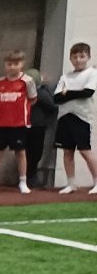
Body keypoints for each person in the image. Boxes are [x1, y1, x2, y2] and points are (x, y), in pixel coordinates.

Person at [0, 50, 38, 194]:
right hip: (2, 124)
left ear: (22, 64)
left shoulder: (27, 81)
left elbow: (33, 99)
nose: (12, 67)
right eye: (9, 64)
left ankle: (23, 182)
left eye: (16, 64)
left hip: (19, 124)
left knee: (20, 153)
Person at [54, 41, 96, 193]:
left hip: (81, 117)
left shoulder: (92, 73)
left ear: (88, 57)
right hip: (65, 116)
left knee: (85, 151)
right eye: (75, 57)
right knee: (67, 151)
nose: (78, 60)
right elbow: (56, 98)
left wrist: (67, 93)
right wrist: (71, 94)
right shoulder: (65, 76)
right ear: (70, 58)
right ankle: (71, 183)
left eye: (82, 56)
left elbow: (87, 93)